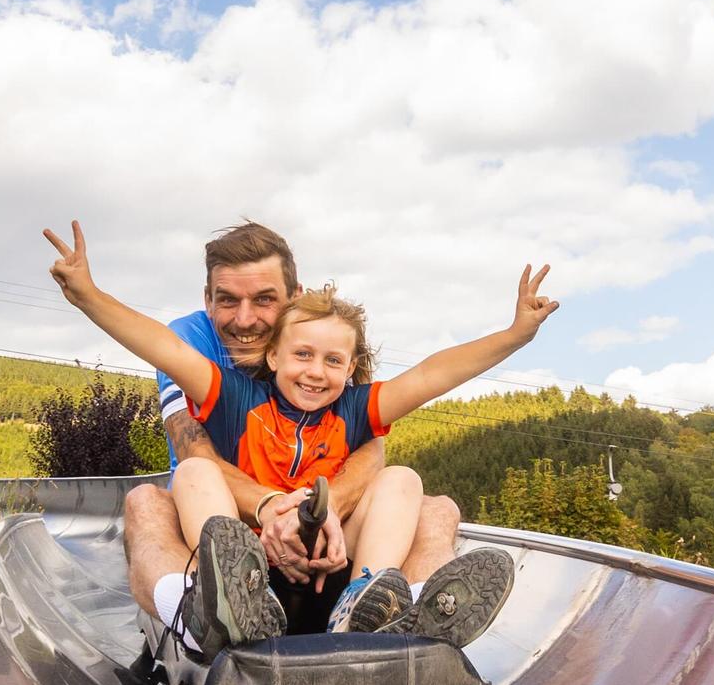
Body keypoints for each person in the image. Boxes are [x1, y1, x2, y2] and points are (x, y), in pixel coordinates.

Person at [45, 220, 560, 658]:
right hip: (249, 547)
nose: (315, 372)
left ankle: (386, 609)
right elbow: (163, 352)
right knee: (189, 477)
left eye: (332, 361)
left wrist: (514, 335)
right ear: (274, 356)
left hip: (330, 556)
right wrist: (89, 297)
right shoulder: (233, 393)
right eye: (302, 357)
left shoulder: (353, 404)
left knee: (407, 482)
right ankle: (212, 605)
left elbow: (431, 375)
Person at [123, 220, 461, 636]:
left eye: (264, 300)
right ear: (208, 301)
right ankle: (201, 620)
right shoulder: (192, 342)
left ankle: (410, 622)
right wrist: (274, 512)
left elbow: (369, 446)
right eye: (228, 301)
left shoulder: (319, 339)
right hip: (222, 519)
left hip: (326, 536)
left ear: (293, 298)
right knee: (145, 503)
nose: (245, 321)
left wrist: (321, 511)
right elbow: (197, 453)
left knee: (435, 508)